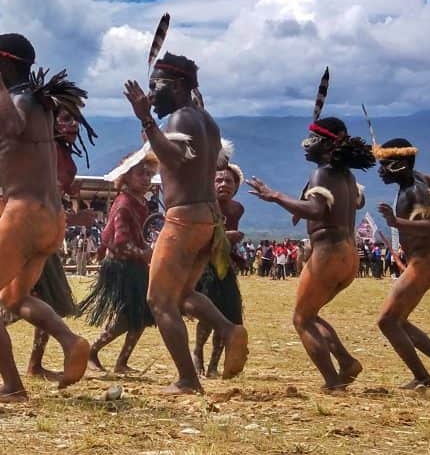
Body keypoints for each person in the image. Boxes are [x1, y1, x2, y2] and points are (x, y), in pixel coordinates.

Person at [0, 27, 91, 402]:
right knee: (14, 297)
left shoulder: (19, 103)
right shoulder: (42, 103)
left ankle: (11, 386)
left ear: (1, 63)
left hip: (24, 216)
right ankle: (70, 343)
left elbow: (9, 125)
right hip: (52, 218)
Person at [123, 54, 248, 394]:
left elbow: (175, 158)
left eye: (155, 86)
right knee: (181, 294)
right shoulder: (205, 120)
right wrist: (150, 125)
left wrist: (147, 119)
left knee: (159, 300)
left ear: (177, 86)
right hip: (206, 219)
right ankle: (227, 329)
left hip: (183, 220)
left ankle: (188, 380)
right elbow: (198, 160)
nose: (151, 93)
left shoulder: (179, 119)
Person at [0, 107, 90, 379]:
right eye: (65, 118)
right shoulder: (42, 151)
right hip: (26, 233)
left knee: (23, 299)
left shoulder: (66, 158)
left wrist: (69, 199)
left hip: (46, 233)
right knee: (19, 298)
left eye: (75, 119)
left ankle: (31, 363)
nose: (73, 124)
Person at [247, 117, 371, 390]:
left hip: (328, 254)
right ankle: (346, 362)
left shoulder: (322, 174)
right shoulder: (346, 176)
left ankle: (332, 381)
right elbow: (354, 202)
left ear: (326, 145)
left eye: (311, 140)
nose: (305, 146)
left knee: (301, 318)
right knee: (310, 313)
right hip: (349, 254)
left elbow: (317, 211)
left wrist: (275, 196)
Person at [374, 138, 430, 390]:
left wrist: (396, 222)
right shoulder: (413, 181)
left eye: (385, 164)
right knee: (397, 321)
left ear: (400, 165)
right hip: (424, 262)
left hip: (424, 263)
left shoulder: (414, 189)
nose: (380, 170)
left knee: (387, 321)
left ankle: (425, 377)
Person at [79, 146, 157, 373]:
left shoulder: (140, 202)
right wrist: (144, 253)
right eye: (140, 174)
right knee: (129, 316)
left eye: (148, 174)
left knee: (141, 316)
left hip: (135, 265)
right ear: (126, 177)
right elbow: (118, 241)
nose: (146, 179)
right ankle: (92, 351)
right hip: (121, 267)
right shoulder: (124, 204)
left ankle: (121, 362)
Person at [192, 162, 246, 378]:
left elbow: (226, 243)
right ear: (210, 184)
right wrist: (225, 236)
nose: (224, 184)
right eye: (219, 180)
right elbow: (201, 239)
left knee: (229, 315)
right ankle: (197, 354)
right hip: (204, 268)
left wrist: (233, 253)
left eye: (229, 181)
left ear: (236, 186)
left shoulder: (236, 209)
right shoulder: (203, 206)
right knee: (208, 316)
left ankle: (215, 364)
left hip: (224, 269)